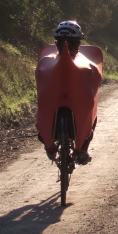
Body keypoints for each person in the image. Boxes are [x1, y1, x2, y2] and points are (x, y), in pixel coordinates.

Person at [36, 21, 103, 166]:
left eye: (71, 43)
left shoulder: (45, 62)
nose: (67, 46)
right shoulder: (88, 65)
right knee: (92, 115)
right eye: (64, 43)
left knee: (91, 115)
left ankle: (80, 149)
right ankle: (82, 150)